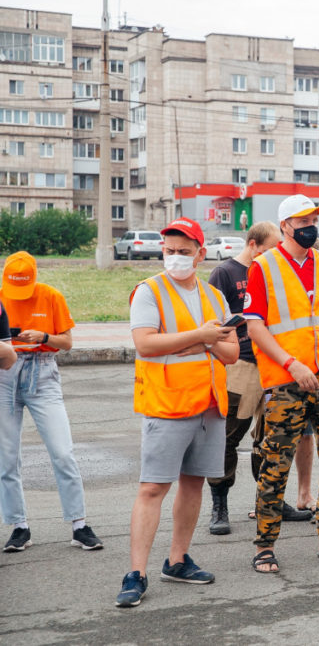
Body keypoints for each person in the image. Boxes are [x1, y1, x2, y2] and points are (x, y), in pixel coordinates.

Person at [117, 218, 239, 608]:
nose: (174, 258)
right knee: (153, 488)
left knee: (193, 484)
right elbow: (145, 344)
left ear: (201, 254)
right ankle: (136, 573)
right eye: (169, 251)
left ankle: (178, 559)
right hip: (167, 404)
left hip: (208, 405)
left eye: (184, 252)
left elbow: (232, 352)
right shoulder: (148, 291)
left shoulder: (214, 298)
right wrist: (203, 337)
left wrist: (203, 344)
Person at [244, 194, 319, 573]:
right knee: (275, 464)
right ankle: (264, 545)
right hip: (285, 381)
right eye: (303, 220)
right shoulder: (263, 266)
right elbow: (254, 325)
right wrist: (290, 364)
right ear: (285, 227)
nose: (312, 225)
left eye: (315, 218)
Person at [205, 221, 308, 535]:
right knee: (228, 437)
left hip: (275, 366)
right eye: (272, 246)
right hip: (241, 366)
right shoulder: (225, 273)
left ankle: (272, 502)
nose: (278, 252)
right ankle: (219, 506)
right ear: (253, 244)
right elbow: (211, 319)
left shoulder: (276, 271)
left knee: (273, 439)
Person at [0, 252, 100, 554]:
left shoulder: (50, 296)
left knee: (62, 451)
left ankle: (79, 525)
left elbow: (67, 342)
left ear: (33, 277)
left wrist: (44, 335)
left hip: (42, 372)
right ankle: (19, 526)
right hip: (4, 373)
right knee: (6, 456)